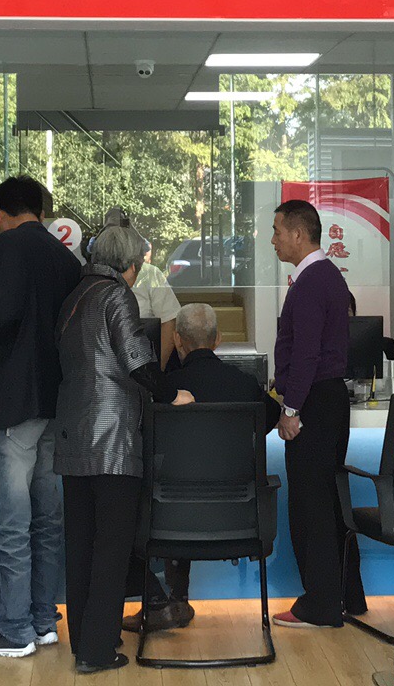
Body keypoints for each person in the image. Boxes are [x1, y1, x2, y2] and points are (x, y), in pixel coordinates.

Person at [52, 225, 194, 674]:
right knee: (111, 548)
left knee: (80, 546)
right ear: (130, 266)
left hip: (73, 435)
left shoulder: (73, 297)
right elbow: (137, 359)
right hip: (112, 439)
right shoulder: (116, 296)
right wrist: (170, 394)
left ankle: (84, 641)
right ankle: (97, 651)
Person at [0, 176, 82, 658]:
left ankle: (12, 629)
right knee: (46, 518)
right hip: (52, 401)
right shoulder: (65, 258)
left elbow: (3, 313)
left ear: (0, 214)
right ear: (41, 211)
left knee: (6, 521)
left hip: (11, 400)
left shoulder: (8, 245)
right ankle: (42, 620)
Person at [122, 303, 280, 634]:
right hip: (240, 520)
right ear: (218, 339)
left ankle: (164, 601)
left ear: (177, 340)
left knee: (125, 499)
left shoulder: (165, 390)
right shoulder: (245, 385)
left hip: (169, 522)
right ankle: (174, 601)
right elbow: (273, 416)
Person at [268, 199, 364, 628]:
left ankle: (320, 605)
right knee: (329, 500)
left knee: (313, 505)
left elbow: (306, 353)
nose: (273, 240)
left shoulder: (310, 282)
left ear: (298, 234)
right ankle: (347, 596)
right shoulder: (328, 277)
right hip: (329, 401)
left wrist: (291, 409)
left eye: (277, 231)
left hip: (314, 405)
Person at [104, 209, 183, 370]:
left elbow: (169, 322)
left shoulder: (150, 273)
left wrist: (157, 369)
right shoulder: (96, 274)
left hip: (146, 361)